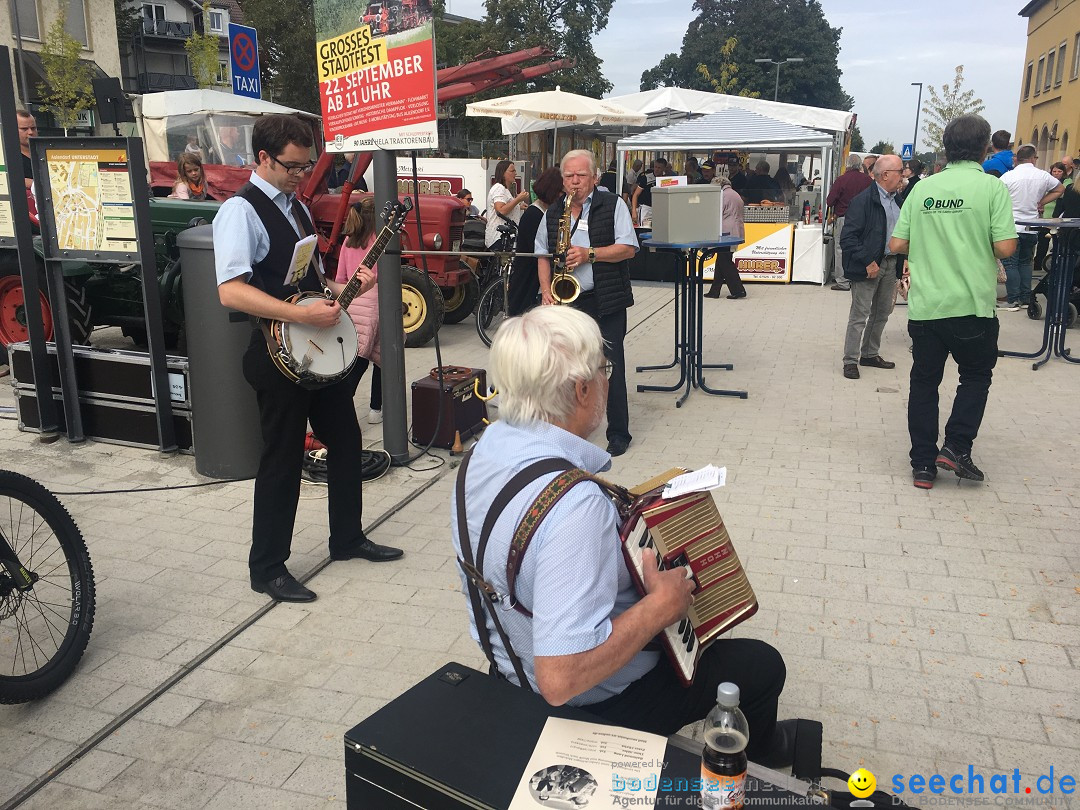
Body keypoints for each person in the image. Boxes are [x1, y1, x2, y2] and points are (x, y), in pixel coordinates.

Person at [450, 305, 796, 766]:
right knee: (763, 667)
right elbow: (561, 679)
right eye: (604, 368)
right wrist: (661, 607)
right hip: (593, 704)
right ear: (582, 388)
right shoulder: (576, 508)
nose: (607, 379)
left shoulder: (483, 452)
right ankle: (764, 763)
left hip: (508, 665)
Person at [213, 114, 403, 603]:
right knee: (281, 460)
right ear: (262, 158)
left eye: (306, 165)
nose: (301, 175)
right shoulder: (240, 211)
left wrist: (344, 290)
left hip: (314, 352)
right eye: (292, 166)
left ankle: (347, 537)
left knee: (346, 438)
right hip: (278, 356)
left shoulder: (294, 206)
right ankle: (267, 566)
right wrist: (299, 317)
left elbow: (311, 278)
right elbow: (231, 291)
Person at [889, 114, 1017, 489]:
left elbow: (897, 244)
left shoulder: (924, 188)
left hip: (926, 305)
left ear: (945, 147)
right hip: (972, 306)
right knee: (976, 376)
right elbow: (1005, 246)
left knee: (924, 382)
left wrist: (933, 238)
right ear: (985, 148)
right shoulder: (992, 188)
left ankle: (923, 465)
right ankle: (957, 448)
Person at [535, 149, 637, 457]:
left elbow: (629, 248)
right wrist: (545, 291)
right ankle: (570, 428)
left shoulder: (613, 204)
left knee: (611, 366)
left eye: (581, 175)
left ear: (594, 177)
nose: (574, 182)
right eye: (569, 176)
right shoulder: (555, 211)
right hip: (570, 301)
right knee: (567, 369)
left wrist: (589, 253)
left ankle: (618, 432)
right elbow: (542, 253)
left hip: (606, 298)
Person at [838, 155, 905, 380]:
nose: (903, 175)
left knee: (882, 313)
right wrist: (868, 261)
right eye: (900, 171)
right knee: (860, 315)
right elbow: (847, 238)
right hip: (868, 266)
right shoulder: (863, 201)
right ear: (885, 175)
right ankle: (850, 360)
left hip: (891, 263)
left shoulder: (899, 200)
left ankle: (869, 353)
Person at [337, 198, 385, 425]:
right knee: (380, 358)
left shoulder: (347, 242)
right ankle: (376, 408)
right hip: (375, 305)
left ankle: (343, 406)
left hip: (352, 304)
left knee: (355, 358)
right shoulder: (380, 242)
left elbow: (340, 279)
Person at [999, 144, 1063, 310]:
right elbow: (1060, 189)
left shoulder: (1008, 177)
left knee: (1011, 264)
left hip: (1012, 226)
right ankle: (1026, 297)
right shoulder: (1042, 175)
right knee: (1026, 262)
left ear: (1017, 158)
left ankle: (1013, 299)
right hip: (1032, 225)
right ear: (1033, 157)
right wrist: (1041, 202)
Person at [507, 167, 564, 317]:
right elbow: (539, 251)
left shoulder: (544, 212)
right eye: (561, 192)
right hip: (528, 281)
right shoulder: (534, 215)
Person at [825, 153, 873, 291]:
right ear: (859, 166)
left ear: (847, 165)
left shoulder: (841, 180)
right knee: (861, 247)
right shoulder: (867, 180)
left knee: (841, 249)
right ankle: (858, 278)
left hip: (844, 218)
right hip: (864, 219)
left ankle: (843, 281)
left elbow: (830, 201)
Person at [704, 177, 746, 299]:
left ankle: (738, 290)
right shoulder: (734, 194)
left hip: (726, 231)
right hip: (735, 229)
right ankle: (715, 290)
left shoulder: (723, 195)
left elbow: (716, 213)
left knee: (725, 261)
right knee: (722, 260)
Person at [485, 160, 530, 249]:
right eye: (512, 171)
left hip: (506, 236)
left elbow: (506, 207)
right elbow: (501, 210)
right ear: (503, 173)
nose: (515, 173)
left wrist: (518, 207)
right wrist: (518, 199)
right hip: (499, 237)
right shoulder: (499, 188)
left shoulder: (504, 189)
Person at [631, 157, 668, 226]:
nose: (656, 169)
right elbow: (635, 194)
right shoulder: (646, 178)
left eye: (659, 168)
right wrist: (634, 211)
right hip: (646, 209)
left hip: (659, 209)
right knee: (644, 229)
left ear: (664, 168)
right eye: (655, 167)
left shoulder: (666, 180)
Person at [16, 110, 36, 190]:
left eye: (33, 128)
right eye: (24, 129)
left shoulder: (44, 152)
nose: (30, 132)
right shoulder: (6, 157)